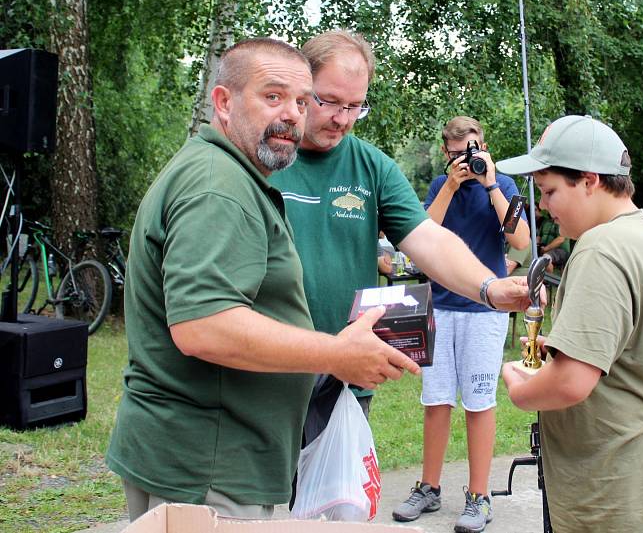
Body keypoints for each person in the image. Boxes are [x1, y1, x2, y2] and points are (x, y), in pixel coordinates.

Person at [105, 38, 422, 522]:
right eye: (273, 96)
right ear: (224, 102)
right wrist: (336, 355)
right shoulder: (219, 187)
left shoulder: (227, 173)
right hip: (210, 465)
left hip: (204, 456)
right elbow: (204, 326)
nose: (293, 115)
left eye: (300, 100)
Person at [269, 31, 530, 441]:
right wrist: (449, 187)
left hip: (345, 381)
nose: (342, 118)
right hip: (266, 379)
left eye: (356, 106)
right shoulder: (266, 155)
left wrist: (489, 287)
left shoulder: (373, 167)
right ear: (301, 88)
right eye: (330, 101)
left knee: (338, 505)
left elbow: (430, 239)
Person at [497, 115, 643, 533]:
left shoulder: (600, 249)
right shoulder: (642, 236)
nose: (544, 205)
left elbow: (569, 384)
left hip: (614, 479)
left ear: (589, 180)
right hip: (639, 468)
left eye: (549, 191)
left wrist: (521, 386)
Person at [389, 116, 529, 532]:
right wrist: (450, 184)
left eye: (469, 151)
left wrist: (489, 184)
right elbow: (418, 233)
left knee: (479, 401)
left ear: (482, 146)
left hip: (485, 310)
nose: (463, 160)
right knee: (435, 399)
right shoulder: (439, 185)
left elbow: (520, 240)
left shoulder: (502, 186)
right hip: (440, 305)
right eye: (454, 154)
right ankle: (428, 487)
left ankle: (479, 496)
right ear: (445, 153)